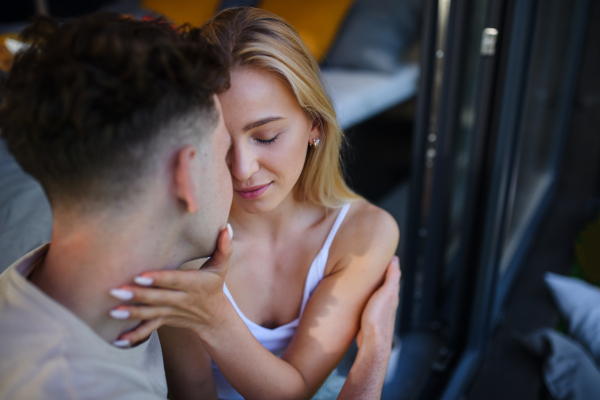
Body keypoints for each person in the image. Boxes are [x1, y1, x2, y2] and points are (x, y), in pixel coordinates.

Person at [0, 11, 400, 400]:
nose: (242, 169)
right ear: (185, 170)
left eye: (266, 136)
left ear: (315, 125)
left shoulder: (361, 231)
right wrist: (374, 356)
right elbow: (192, 390)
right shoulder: (187, 245)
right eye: (221, 144)